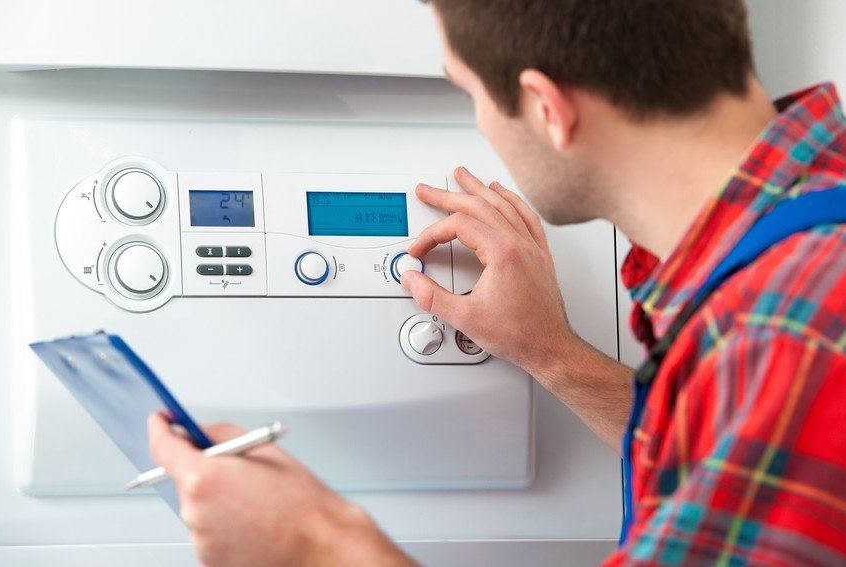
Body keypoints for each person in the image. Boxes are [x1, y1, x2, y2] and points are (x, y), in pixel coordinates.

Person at [148, 0, 846, 565]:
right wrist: (551, 352)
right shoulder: (803, 239)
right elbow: (726, 465)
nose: (481, 124)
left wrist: (316, 543)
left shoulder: (782, 332)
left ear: (547, 106)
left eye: (469, 92)